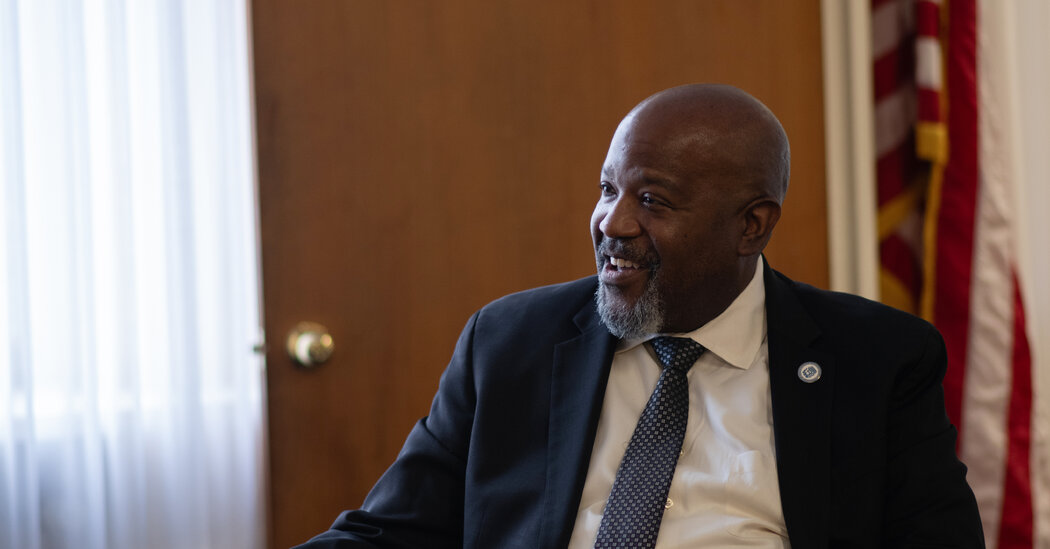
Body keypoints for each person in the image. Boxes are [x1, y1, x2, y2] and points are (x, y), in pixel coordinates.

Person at [296, 84, 984, 548]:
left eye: (652, 200)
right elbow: (390, 532)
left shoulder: (876, 360)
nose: (612, 223)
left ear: (751, 225)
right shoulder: (509, 342)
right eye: (608, 188)